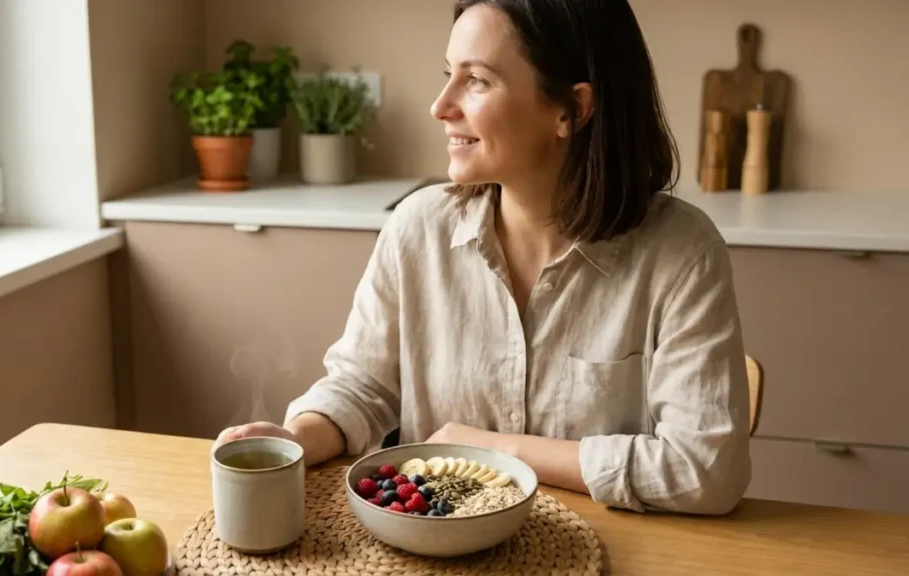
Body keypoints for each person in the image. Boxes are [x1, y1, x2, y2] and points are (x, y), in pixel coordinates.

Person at [216, 0, 751, 515]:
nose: (440, 105)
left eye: (476, 80)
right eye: (449, 73)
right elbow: (364, 386)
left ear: (572, 109)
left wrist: (493, 450)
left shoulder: (682, 253)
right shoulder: (416, 228)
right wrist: (297, 437)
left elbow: (706, 469)